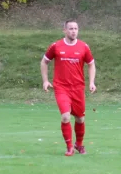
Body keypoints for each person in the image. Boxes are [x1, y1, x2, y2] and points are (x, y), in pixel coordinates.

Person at [40, 20, 96, 156]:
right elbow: (44, 62)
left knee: (80, 119)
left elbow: (91, 64)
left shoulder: (84, 47)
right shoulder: (56, 46)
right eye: (70, 28)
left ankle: (79, 144)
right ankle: (69, 146)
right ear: (64, 30)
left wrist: (92, 82)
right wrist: (46, 80)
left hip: (78, 88)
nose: (73, 31)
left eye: (76, 28)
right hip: (61, 88)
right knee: (65, 117)